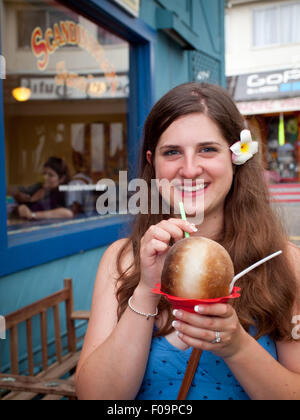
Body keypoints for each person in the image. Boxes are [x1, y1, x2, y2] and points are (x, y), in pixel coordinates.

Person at [75, 83, 300, 400]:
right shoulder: (123, 260)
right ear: (153, 163)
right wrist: (145, 291)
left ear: (235, 157)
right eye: (172, 152)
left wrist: (236, 346)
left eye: (208, 149)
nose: (190, 169)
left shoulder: (282, 261)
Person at [14, 156, 73, 220]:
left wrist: (32, 215)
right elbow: (18, 191)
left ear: (62, 179)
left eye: (51, 175)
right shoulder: (38, 187)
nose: (45, 177)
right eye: (44, 173)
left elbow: (67, 213)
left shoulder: (60, 193)